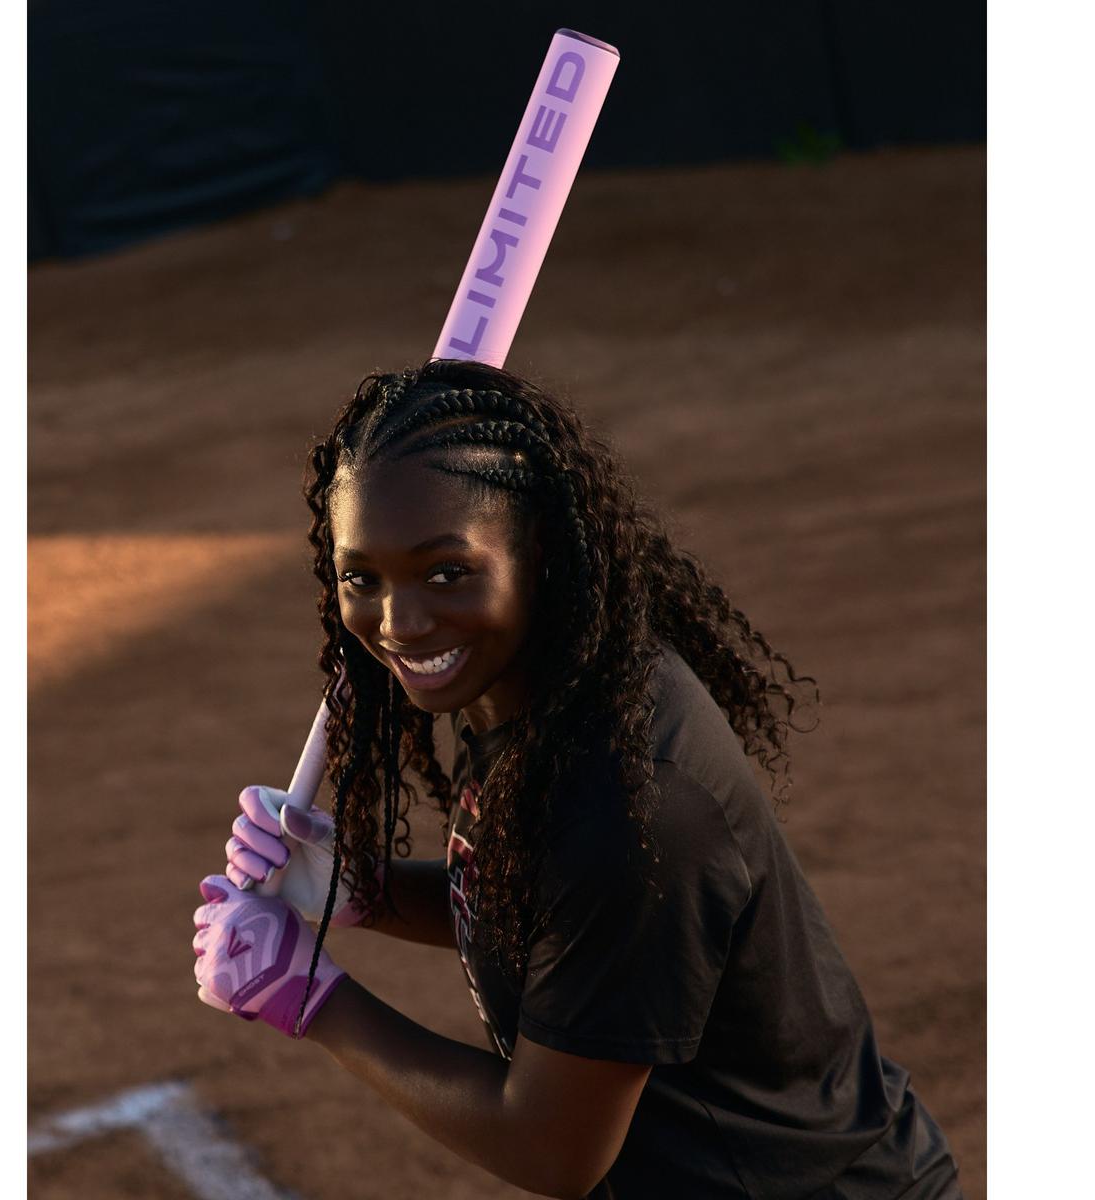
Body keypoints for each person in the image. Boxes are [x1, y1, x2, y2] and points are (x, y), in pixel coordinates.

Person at [192, 358, 963, 1199]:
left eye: (445, 572)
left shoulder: (630, 802)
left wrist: (311, 998)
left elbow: (552, 1149)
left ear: (540, 553)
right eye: (361, 578)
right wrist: (363, 891)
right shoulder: (529, 690)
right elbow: (550, 913)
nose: (399, 622)